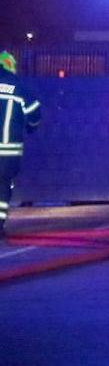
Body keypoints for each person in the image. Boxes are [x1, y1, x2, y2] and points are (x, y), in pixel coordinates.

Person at [0, 50, 42, 239]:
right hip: (8, 151)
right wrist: (32, 127)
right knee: (2, 186)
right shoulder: (17, 87)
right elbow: (34, 112)